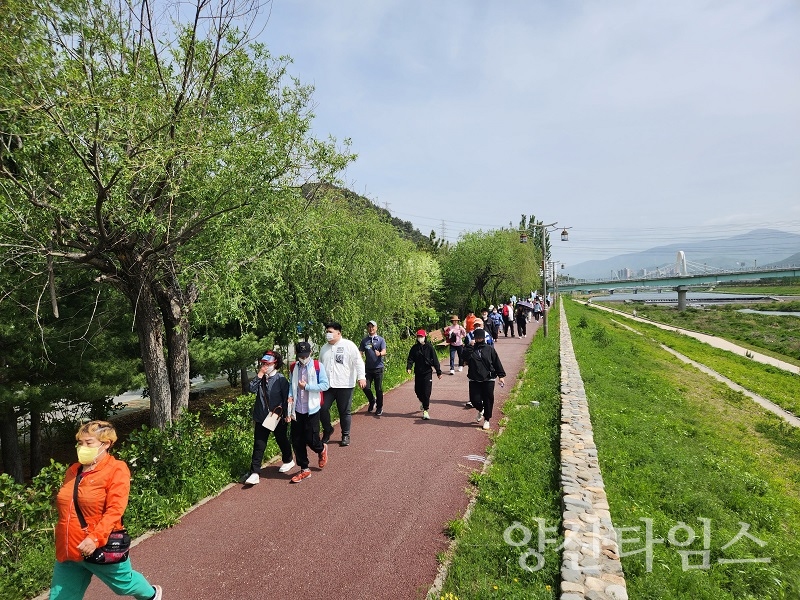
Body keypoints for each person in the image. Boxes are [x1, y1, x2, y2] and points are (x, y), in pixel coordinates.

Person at [50, 420, 162, 600]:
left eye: (89, 443)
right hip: (69, 549)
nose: (82, 447)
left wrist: (95, 538)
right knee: (60, 597)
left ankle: (151, 595)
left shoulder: (116, 469)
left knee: (124, 585)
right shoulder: (73, 470)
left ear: (106, 444)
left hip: (98, 545)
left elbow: (115, 510)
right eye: (80, 443)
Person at [245, 351, 293, 485]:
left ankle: (288, 460)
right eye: (263, 363)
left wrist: (287, 415)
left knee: (281, 439)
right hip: (261, 416)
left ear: (275, 364)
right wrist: (259, 375)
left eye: (268, 363)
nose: (265, 366)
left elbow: (286, 398)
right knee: (259, 444)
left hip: (277, 416)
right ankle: (254, 472)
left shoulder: (280, 379)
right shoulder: (260, 379)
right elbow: (251, 389)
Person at [287, 341, 330, 483]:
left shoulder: (318, 366)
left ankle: (321, 449)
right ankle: (304, 469)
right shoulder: (294, 367)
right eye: (301, 356)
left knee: (312, 439)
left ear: (310, 353)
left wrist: (307, 387)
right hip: (297, 409)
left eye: (305, 355)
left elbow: (325, 385)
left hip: (312, 409)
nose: (303, 358)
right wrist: (289, 398)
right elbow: (291, 386)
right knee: (297, 440)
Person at [319, 321, 367, 447]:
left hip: (344, 384)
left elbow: (358, 362)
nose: (328, 334)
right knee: (322, 408)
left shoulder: (348, 345)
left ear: (338, 333)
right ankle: (328, 429)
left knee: (344, 411)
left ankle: (345, 434)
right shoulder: (324, 348)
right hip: (327, 385)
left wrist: (361, 377)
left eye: (330, 332)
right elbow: (319, 366)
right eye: (327, 332)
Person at [462, 329, 506, 430]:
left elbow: (496, 362)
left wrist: (501, 376)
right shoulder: (471, 349)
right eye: (476, 337)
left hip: (488, 378)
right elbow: (463, 357)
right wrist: (468, 346)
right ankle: (481, 409)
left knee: (488, 399)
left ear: (483, 338)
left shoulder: (489, 349)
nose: (478, 339)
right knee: (474, 399)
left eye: (480, 337)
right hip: (474, 378)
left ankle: (487, 419)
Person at [406, 329, 442, 420]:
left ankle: (426, 410)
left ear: (425, 337)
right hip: (418, 373)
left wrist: (438, 372)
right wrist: (409, 367)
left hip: (427, 373)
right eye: (418, 336)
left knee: (426, 392)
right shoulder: (414, 348)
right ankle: (423, 402)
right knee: (417, 390)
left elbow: (435, 359)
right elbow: (410, 358)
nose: (420, 338)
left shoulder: (429, 347)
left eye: (421, 336)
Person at [359, 320, 387, 415]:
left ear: (376, 328)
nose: (371, 329)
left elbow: (384, 351)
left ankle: (379, 407)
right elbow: (360, 353)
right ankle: (372, 400)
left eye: (373, 327)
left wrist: (380, 353)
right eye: (369, 327)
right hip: (368, 369)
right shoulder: (364, 341)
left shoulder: (380, 340)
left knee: (378, 389)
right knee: (365, 386)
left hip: (378, 368)